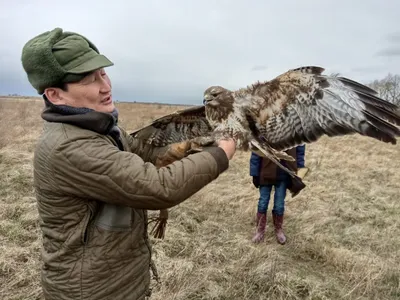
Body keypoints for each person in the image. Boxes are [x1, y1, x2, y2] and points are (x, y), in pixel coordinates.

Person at [21, 28, 236, 300]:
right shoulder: (69, 147)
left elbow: (147, 154)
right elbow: (157, 187)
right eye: (88, 80)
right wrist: (222, 153)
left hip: (120, 280)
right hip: (91, 292)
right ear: (55, 95)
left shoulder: (101, 129)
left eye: (102, 72)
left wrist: (187, 146)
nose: (105, 86)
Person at [249, 145, 306, 244]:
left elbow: (300, 152)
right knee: (263, 202)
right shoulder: (263, 131)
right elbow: (256, 151)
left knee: (279, 205)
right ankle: (260, 231)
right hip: (265, 172)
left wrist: (300, 170)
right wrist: (254, 173)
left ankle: (278, 230)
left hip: (284, 174)